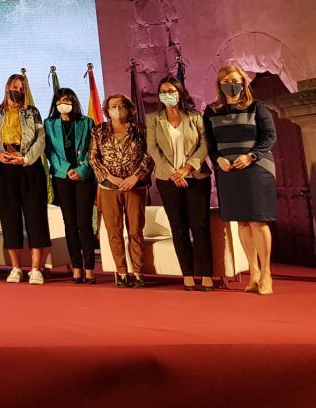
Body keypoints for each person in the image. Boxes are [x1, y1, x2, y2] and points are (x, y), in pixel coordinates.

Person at [204, 65, 278, 296]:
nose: (231, 84)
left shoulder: (257, 107)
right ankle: (253, 272)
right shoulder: (212, 111)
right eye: (226, 80)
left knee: (258, 221)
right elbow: (210, 143)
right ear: (220, 84)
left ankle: (266, 274)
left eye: (235, 80)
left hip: (256, 168)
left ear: (243, 82)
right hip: (229, 171)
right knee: (242, 223)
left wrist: (251, 156)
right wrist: (218, 160)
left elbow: (270, 136)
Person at [146, 75, 213, 291]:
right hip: (168, 179)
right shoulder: (154, 119)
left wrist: (188, 168)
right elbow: (153, 149)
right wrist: (174, 173)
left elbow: (204, 144)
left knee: (199, 226)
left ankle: (206, 273)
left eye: (171, 91)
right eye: (163, 91)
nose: (167, 95)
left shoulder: (194, 116)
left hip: (196, 177)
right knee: (178, 227)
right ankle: (187, 274)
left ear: (180, 92)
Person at [0, 74, 50, 285]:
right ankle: (15, 268)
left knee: (35, 217)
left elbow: (41, 139)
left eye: (21, 88)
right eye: (14, 87)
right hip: (4, 169)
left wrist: (26, 158)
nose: (17, 91)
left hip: (29, 167)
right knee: (9, 217)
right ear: (6, 88)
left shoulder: (33, 112)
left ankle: (36, 268)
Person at [90, 93, 153, 287]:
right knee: (114, 230)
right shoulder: (99, 131)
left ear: (129, 108)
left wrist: (135, 177)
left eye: (120, 105)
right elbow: (93, 158)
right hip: (109, 187)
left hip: (135, 186)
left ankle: (138, 272)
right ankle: (122, 272)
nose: (117, 109)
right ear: (107, 110)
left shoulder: (140, 130)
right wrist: (111, 178)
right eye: (112, 106)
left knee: (135, 230)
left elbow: (149, 156)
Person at [43, 88, 97, 284]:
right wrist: (66, 169)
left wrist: (81, 170)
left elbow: (94, 150)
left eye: (66, 100)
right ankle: (76, 267)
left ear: (73, 101)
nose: (62, 103)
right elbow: (50, 152)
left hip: (85, 177)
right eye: (59, 100)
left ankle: (90, 267)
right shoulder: (49, 124)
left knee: (84, 223)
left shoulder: (87, 122)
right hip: (61, 177)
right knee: (70, 223)